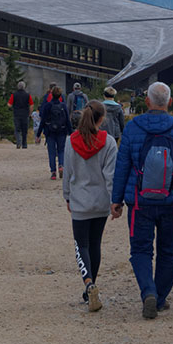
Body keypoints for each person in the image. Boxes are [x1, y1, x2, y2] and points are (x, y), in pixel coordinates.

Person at [111, 81, 173, 319]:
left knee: (140, 250)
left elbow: (122, 166)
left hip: (140, 202)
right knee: (168, 251)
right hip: (172, 203)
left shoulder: (132, 128)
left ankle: (148, 292)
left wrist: (117, 200)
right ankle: (160, 298)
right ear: (170, 102)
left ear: (147, 101)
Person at [62, 101, 117, 312]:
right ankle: (92, 286)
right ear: (102, 119)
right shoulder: (109, 142)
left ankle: (88, 283)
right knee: (95, 244)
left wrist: (67, 195)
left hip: (80, 201)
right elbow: (111, 176)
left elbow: (68, 172)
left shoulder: (71, 141)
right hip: (100, 202)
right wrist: (115, 201)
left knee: (81, 244)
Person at [38, 85, 70, 179]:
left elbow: (43, 120)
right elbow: (67, 120)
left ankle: (53, 172)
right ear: (60, 95)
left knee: (51, 152)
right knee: (61, 150)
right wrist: (71, 132)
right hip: (62, 130)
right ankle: (61, 165)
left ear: (51, 94)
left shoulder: (47, 106)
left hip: (50, 131)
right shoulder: (63, 106)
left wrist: (38, 134)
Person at [7, 81, 34, 149]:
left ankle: (19, 143)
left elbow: (9, 104)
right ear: (24, 87)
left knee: (17, 129)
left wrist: (13, 107)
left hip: (17, 114)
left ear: (17, 87)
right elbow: (31, 105)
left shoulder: (14, 95)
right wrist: (30, 113)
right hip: (25, 114)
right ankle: (24, 144)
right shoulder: (27, 95)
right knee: (24, 130)